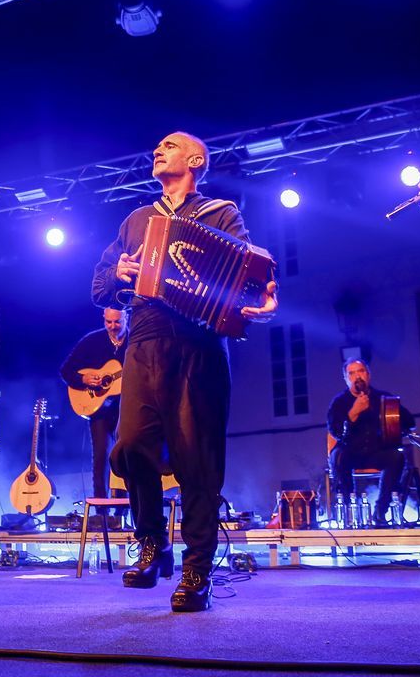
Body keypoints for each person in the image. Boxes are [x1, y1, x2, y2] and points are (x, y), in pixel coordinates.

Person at [93, 132, 278, 612]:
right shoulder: (136, 221)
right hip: (146, 339)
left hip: (199, 344)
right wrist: (121, 274)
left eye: (169, 145)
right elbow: (99, 282)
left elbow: (248, 276)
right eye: (155, 145)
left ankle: (198, 567)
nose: (157, 148)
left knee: (198, 459)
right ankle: (153, 542)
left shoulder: (221, 214)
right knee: (131, 445)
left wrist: (259, 300)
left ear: (195, 160)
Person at [326, 359, 414, 526]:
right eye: (351, 373)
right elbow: (335, 431)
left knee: (397, 457)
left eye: (360, 371)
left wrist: (394, 420)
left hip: (376, 452)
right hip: (350, 452)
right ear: (346, 378)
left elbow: (410, 422)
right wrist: (353, 413)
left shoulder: (383, 398)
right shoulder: (339, 403)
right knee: (338, 457)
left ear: (368, 375)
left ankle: (380, 512)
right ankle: (349, 512)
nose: (357, 376)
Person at [59, 307, 129, 513]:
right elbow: (65, 370)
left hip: (126, 409)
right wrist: (84, 379)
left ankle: (122, 511)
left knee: (124, 456)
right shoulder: (92, 341)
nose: (113, 327)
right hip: (98, 411)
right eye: (108, 322)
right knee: (100, 458)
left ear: (126, 318)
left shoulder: (135, 342)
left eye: (117, 322)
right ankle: (101, 513)